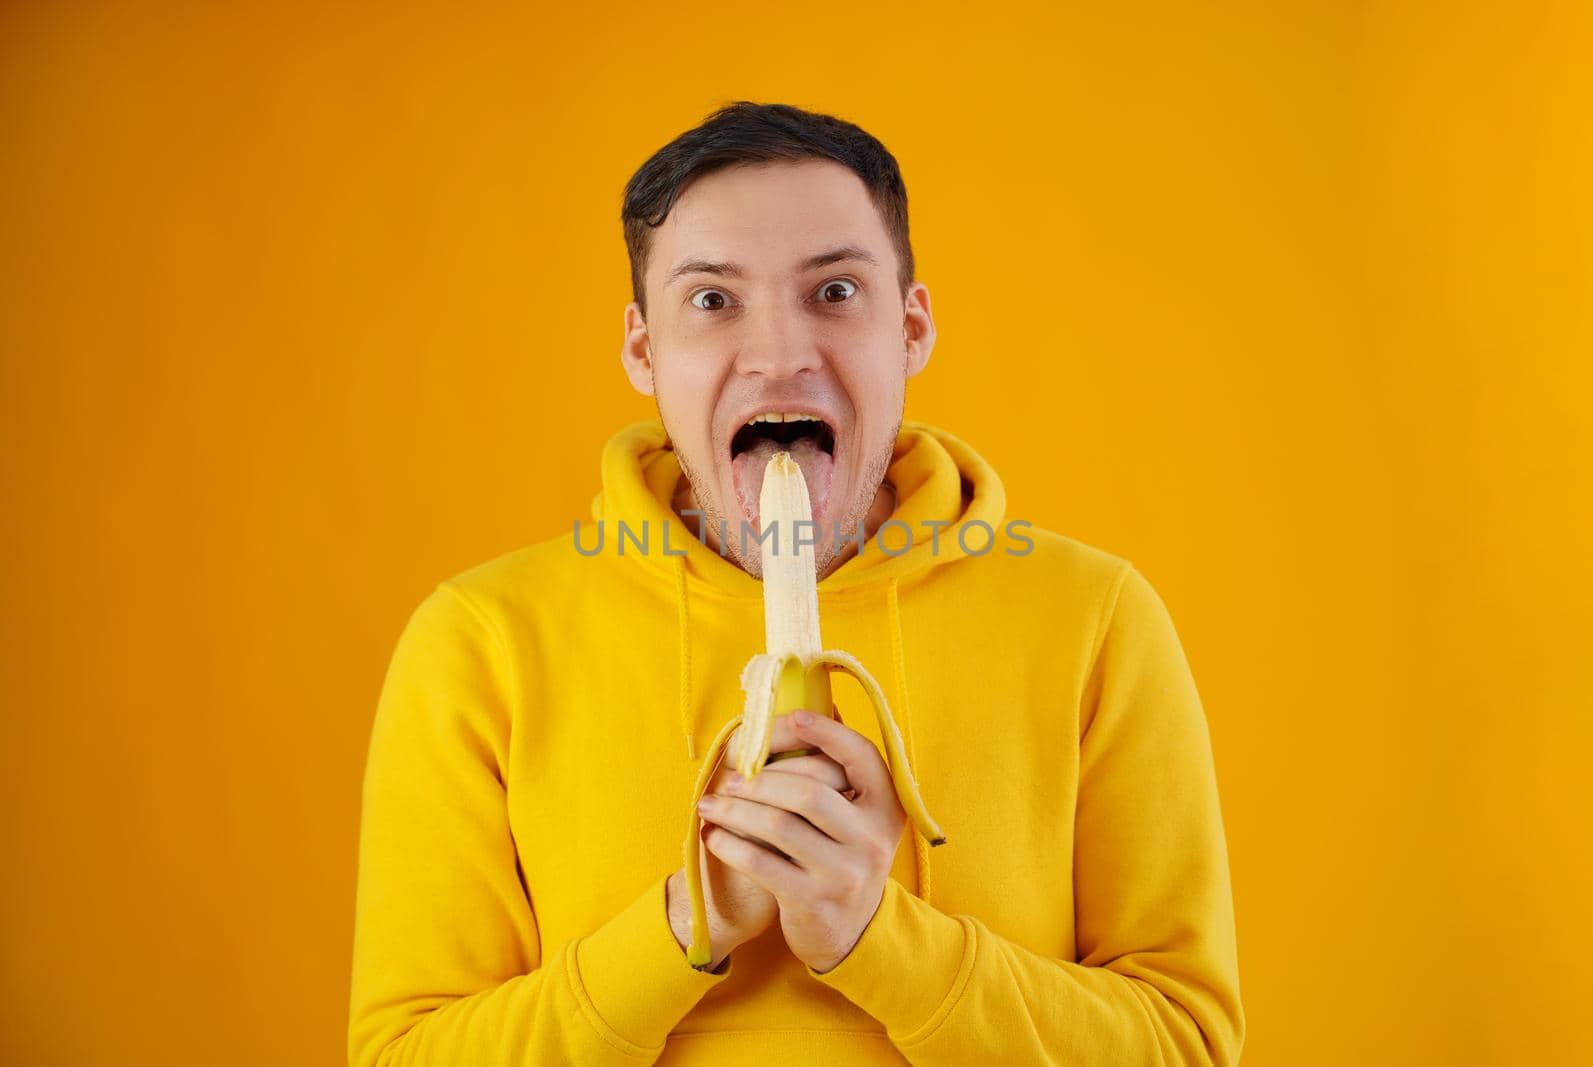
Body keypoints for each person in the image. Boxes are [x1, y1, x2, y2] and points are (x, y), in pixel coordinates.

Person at [348, 100, 1245, 1066]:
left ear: (910, 328)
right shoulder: (478, 641)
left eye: (834, 291)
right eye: (711, 300)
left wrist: (878, 937)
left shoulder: (1095, 619)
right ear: (644, 349)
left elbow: (1184, 1046)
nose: (779, 356)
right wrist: (693, 917)